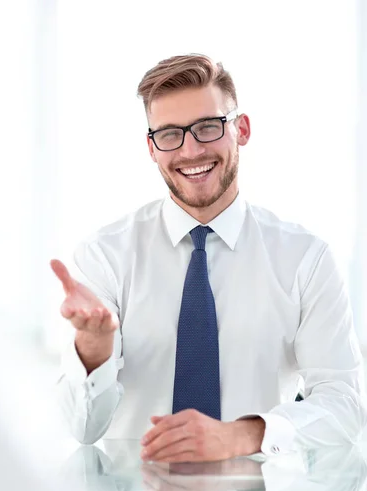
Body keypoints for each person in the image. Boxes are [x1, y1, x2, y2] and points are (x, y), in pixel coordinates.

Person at [52, 54, 366, 462]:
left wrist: (244, 435)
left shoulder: (306, 260)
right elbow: (82, 431)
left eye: (207, 127)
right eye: (169, 135)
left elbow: (345, 406)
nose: (191, 150)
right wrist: (93, 349)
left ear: (242, 129)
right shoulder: (105, 256)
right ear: (151, 147)